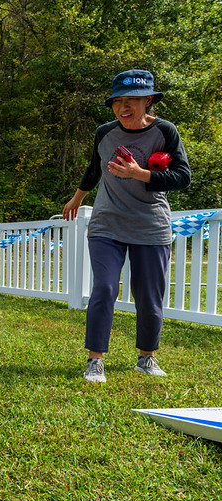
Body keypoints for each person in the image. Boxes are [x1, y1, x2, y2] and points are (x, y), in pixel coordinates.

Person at [62, 69, 191, 383]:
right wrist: (77, 198)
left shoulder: (166, 131)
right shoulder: (104, 132)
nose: (123, 107)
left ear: (148, 100)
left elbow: (182, 177)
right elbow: (95, 167)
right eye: (117, 100)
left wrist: (140, 174)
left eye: (132, 99)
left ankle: (146, 357)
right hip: (107, 223)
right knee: (104, 288)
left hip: (151, 225)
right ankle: (95, 361)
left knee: (149, 295)